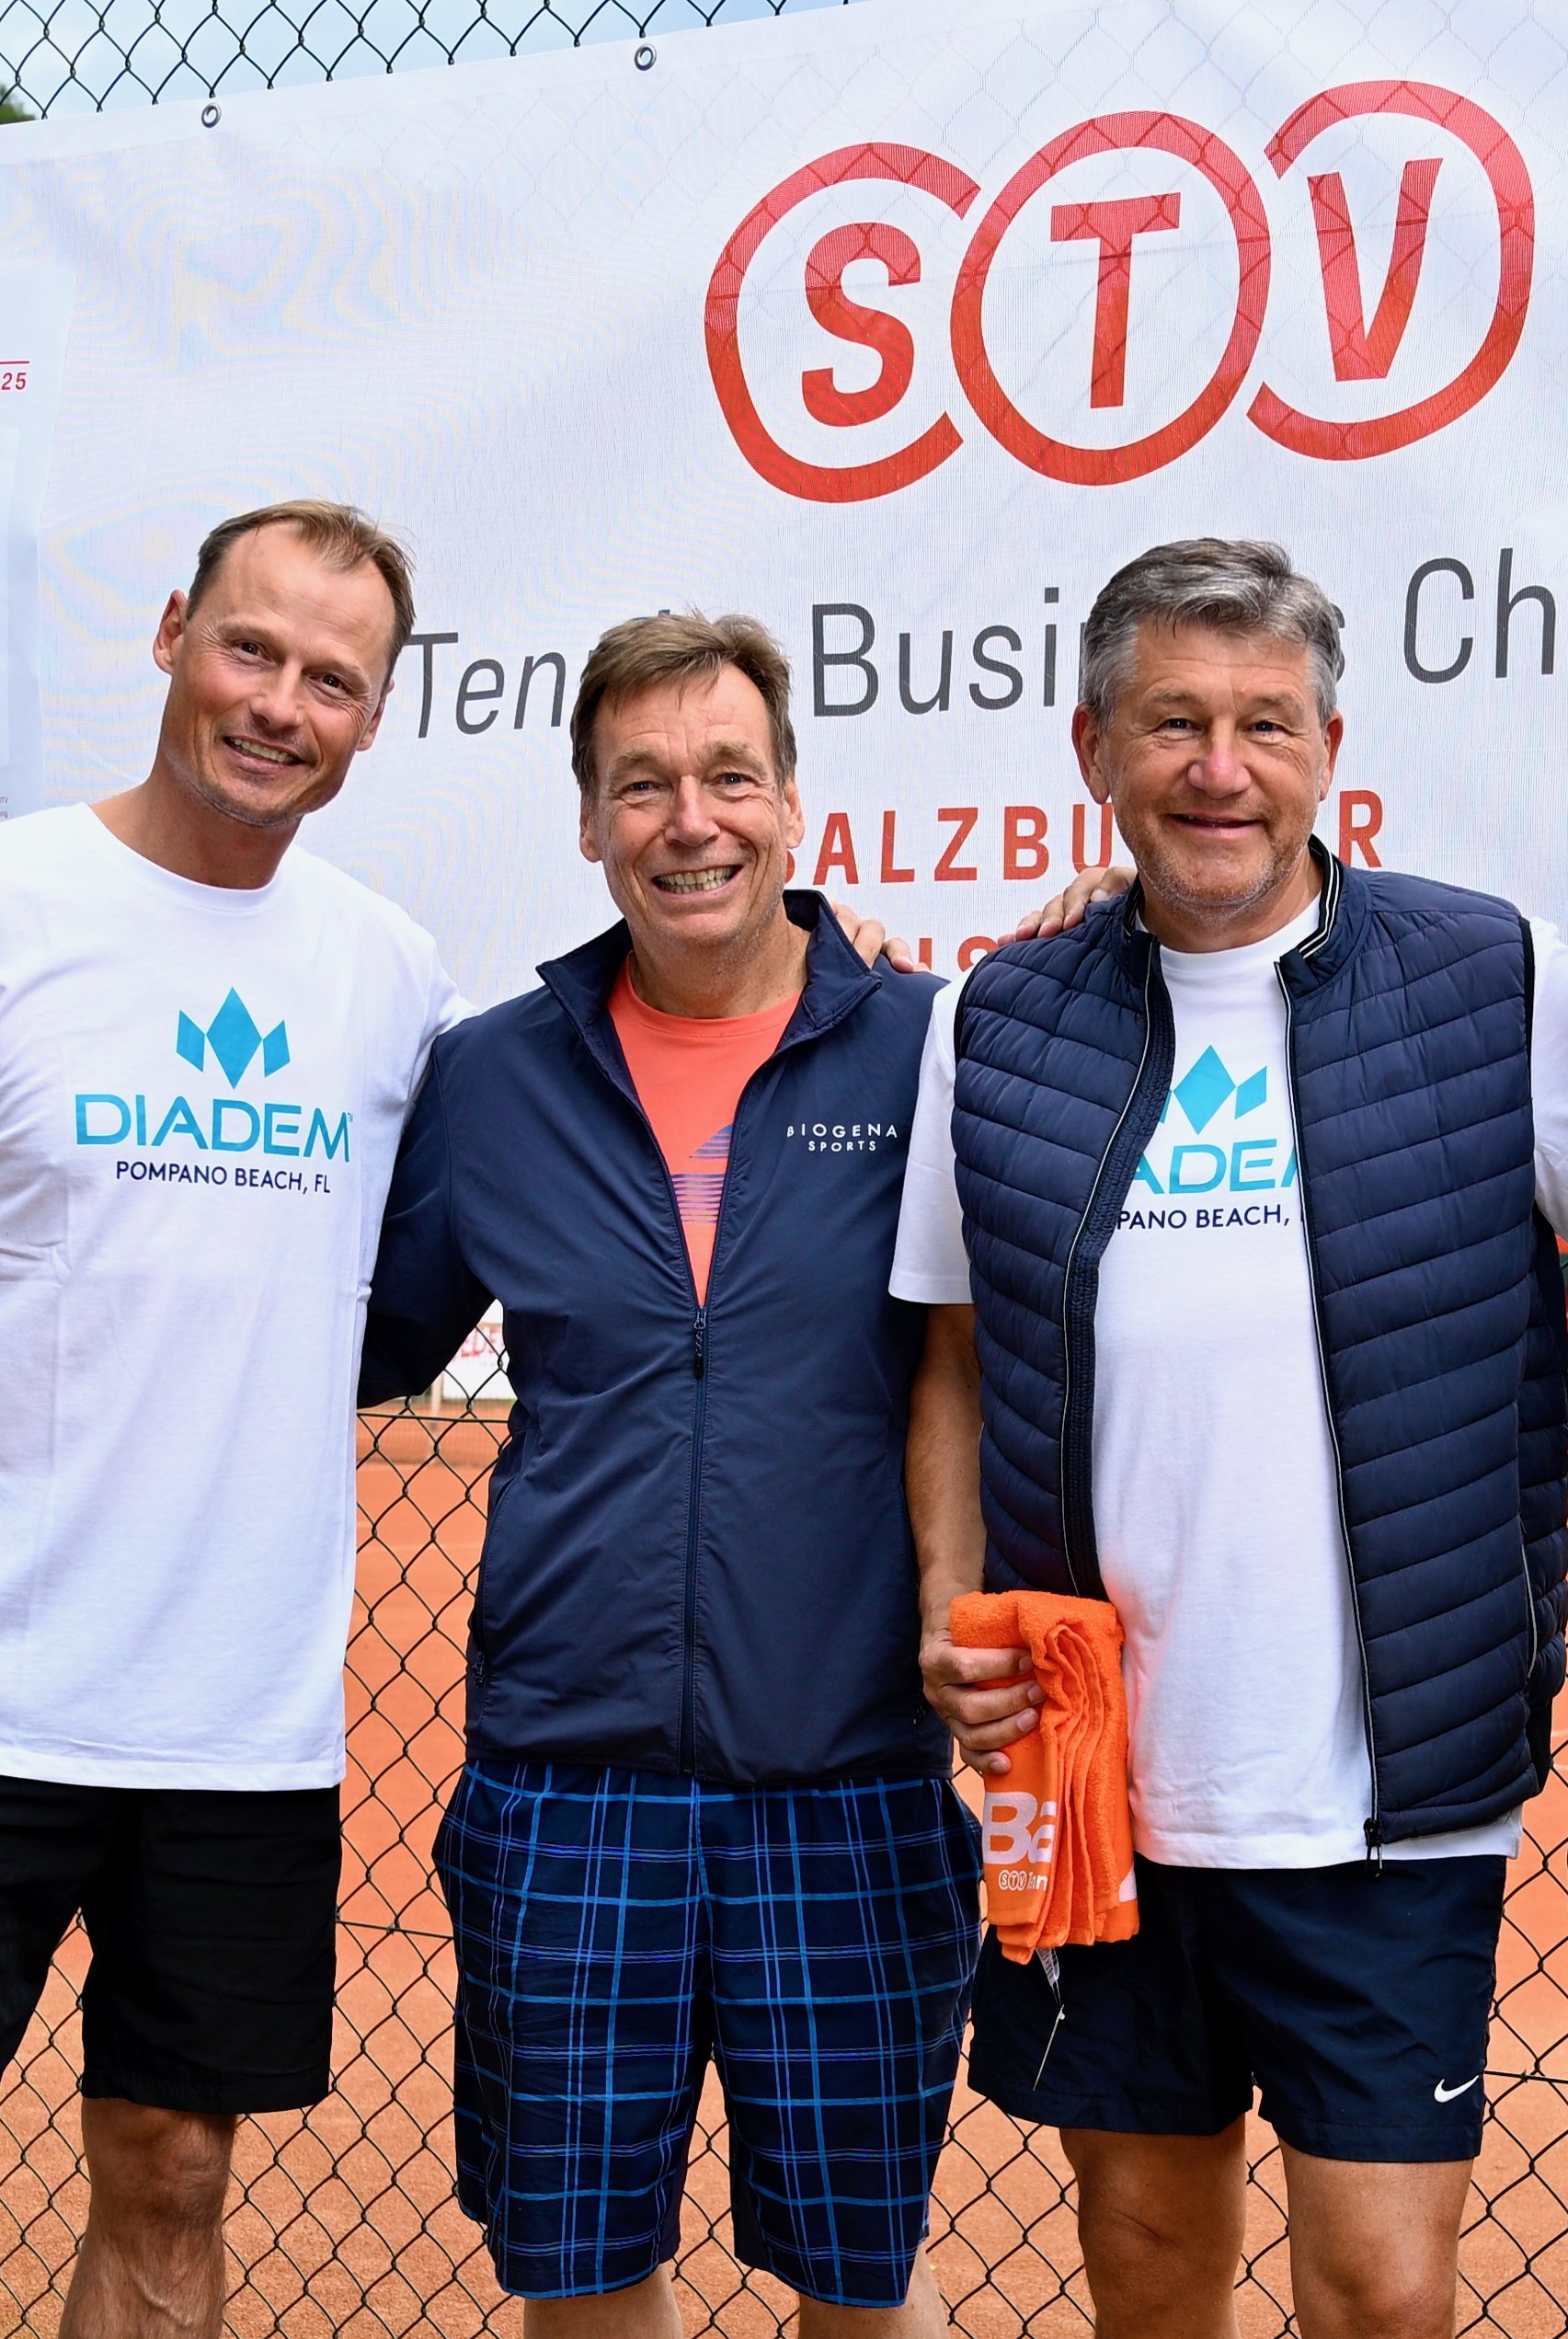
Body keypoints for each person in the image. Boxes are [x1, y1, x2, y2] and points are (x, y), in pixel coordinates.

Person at [0, 500, 458, 2339]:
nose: (279, 703)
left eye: (331, 678)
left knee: (175, 2173)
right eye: (249, 647)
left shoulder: (391, 976)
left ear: (374, 719)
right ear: (169, 633)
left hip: (236, 1721)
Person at [895, 537, 1568, 2339]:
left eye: (1264, 723)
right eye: (1173, 722)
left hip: (1390, 1785)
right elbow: (955, 1352)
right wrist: (945, 1610)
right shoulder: (1000, 1015)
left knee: (1383, 2288)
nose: (1219, 767)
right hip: (1086, 1764)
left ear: (1328, 747)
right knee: (1147, 2266)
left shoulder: (1490, 978)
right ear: (1094, 748)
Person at [353, 613, 977, 2339]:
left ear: (793, 804)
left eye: (727, 776)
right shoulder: (494, 1071)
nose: (689, 820)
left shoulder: (934, 1050)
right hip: (567, 1786)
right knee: (580, 2275)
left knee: (864, 2280)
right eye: (642, 784)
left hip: (852, 1779)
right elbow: (365, 1338)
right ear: (588, 818)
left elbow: (1000, 1356)